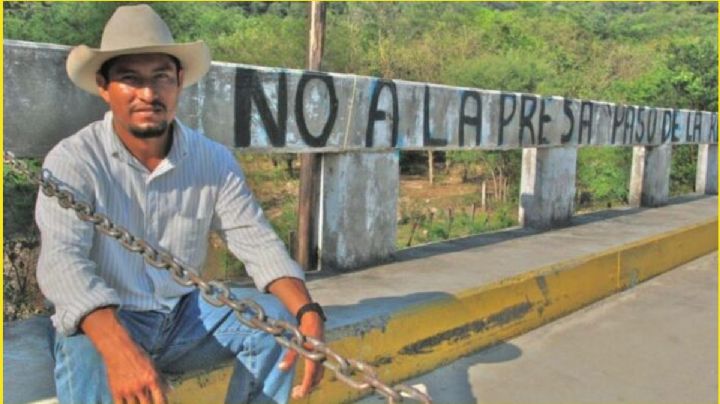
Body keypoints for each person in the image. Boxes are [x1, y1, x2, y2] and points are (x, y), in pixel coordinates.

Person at [35, 4, 325, 404]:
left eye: (161, 78)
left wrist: (308, 312)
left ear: (179, 81)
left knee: (277, 331)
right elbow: (62, 264)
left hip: (186, 317)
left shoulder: (213, 160)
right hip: (108, 319)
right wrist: (120, 350)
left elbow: (257, 243)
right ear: (104, 86)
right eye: (130, 79)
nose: (148, 94)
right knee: (85, 348)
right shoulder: (74, 160)